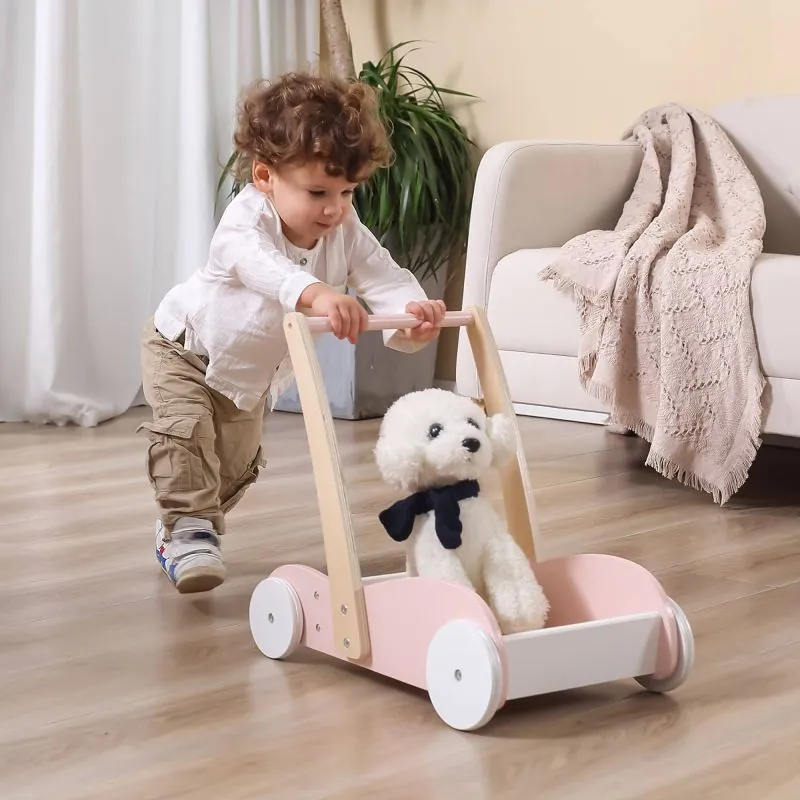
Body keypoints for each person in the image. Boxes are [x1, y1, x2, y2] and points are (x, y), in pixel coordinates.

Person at [138, 72, 446, 593]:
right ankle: (187, 529)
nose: (334, 208)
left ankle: (187, 520)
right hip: (183, 348)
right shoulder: (246, 220)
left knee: (230, 469)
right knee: (186, 435)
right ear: (265, 176)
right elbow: (257, 264)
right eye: (318, 192)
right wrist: (317, 293)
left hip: (246, 377)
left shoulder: (345, 229)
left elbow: (383, 275)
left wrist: (411, 315)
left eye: (347, 191)